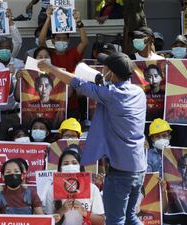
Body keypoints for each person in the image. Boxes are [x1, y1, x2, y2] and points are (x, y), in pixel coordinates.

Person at [38, 52, 147, 225]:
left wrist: (50, 68)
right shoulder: (138, 92)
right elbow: (110, 86)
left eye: (105, 68)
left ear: (111, 73)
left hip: (120, 171)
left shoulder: (111, 94)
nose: (102, 70)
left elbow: (76, 83)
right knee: (131, 217)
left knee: (115, 220)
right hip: (139, 167)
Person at [44, 150, 105, 225]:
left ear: (80, 166)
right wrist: (61, 211)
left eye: (74, 163)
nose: (70, 166)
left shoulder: (92, 189)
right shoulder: (52, 189)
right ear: (60, 168)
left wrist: (84, 212)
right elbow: (46, 221)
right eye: (66, 164)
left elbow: (101, 221)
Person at [39, 5, 88, 73]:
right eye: (58, 38)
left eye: (64, 39)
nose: (61, 41)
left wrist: (79, 22)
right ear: (53, 40)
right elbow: (41, 41)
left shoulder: (72, 54)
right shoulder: (49, 54)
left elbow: (84, 43)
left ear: (68, 40)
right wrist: (48, 18)